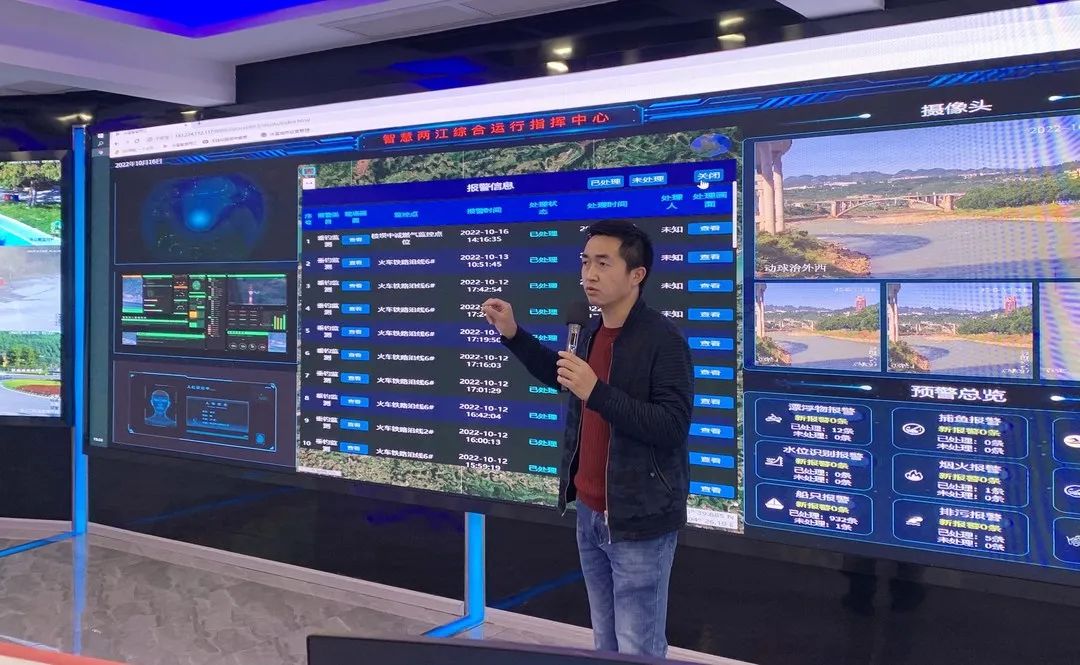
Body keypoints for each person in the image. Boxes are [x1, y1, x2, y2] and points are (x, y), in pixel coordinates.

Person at [482, 219, 693, 658]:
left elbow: (671, 426)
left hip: (638, 521)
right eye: (585, 262)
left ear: (636, 275)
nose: (589, 275)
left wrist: (596, 391)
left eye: (603, 263)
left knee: (637, 647)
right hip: (590, 514)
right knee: (605, 642)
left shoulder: (663, 339)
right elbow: (563, 376)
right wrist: (514, 335)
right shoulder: (591, 331)